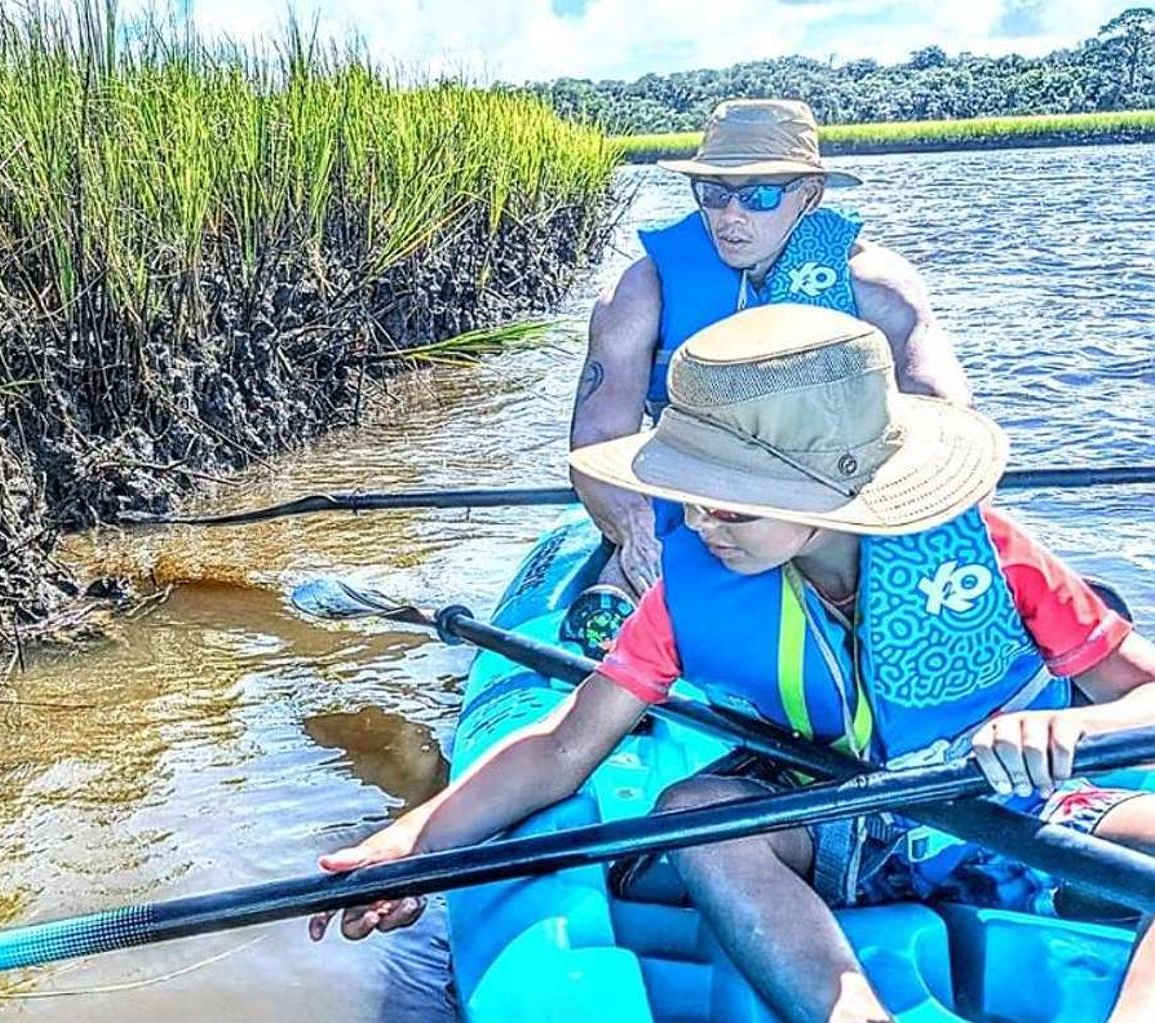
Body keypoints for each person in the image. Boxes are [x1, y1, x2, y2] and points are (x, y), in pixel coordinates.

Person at [312, 304, 1155, 1023]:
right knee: (700, 812)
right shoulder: (691, 596)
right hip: (820, 820)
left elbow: (1143, 697)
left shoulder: (996, 559)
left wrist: (1070, 722)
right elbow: (564, 748)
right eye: (687, 494)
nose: (700, 525)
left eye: (727, 502)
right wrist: (411, 840)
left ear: (839, 492)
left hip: (1002, 807)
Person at [569, 99, 972, 627]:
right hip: (690, 504)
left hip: (835, 501)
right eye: (713, 194)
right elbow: (598, 432)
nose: (730, 217)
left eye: (758, 196)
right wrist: (634, 529)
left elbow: (943, 413)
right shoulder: (639, 291)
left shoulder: (878, 287)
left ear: (809, 195)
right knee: (616, 600)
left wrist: (881, 522)